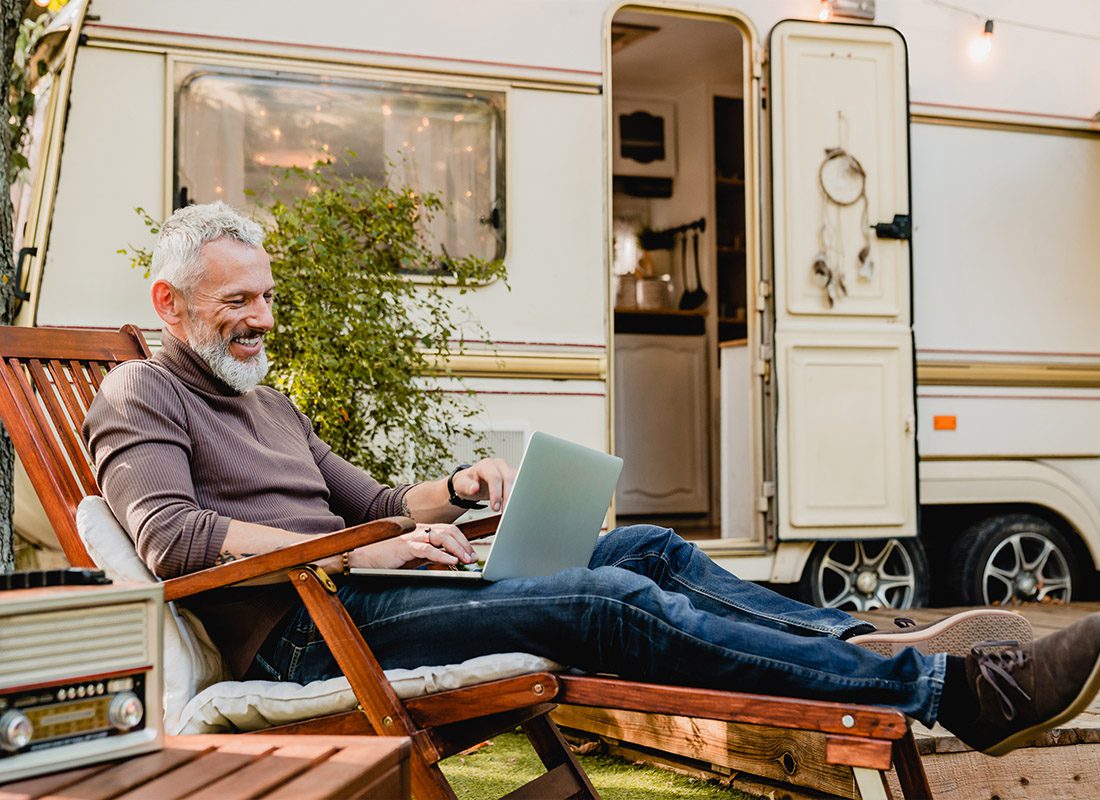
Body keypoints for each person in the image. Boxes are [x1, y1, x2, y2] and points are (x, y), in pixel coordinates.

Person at [84, 202, 1100, 758]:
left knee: (644, 548)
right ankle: (950, 688)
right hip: (308, 635)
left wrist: (458, 488)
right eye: (235, 303)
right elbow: (172, 539)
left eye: (266, 297)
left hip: (367, 588)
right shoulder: (140, 393)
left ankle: (861, 642)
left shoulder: (265, 398)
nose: (260, 319)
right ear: (172, 303)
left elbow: (380, 506)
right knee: (603, 599)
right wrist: (365, 549)